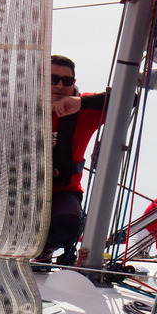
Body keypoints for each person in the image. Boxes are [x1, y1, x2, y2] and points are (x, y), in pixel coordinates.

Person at [43, 54, 109, 262]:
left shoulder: (84, 108)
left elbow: (129, 98)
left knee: (66, 226)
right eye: (53, 79)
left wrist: (82, 103)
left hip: (64, 192)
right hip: (19, 193)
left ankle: (44, 251)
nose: (60, 85)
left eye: (67, 80)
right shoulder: (17, 108)